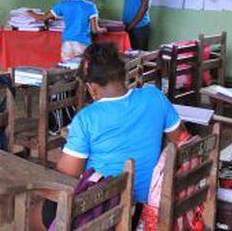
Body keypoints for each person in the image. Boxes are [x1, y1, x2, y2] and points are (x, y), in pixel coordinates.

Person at [32, 42, 184, 230]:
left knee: (36, 212)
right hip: (146, 208)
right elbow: (182, 140)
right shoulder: (154, 97)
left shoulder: (86, 119)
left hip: (106, 209)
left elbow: (66, 176)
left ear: (92, 87)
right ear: (123, 73)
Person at [28, 0, 105, 60]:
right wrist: (103, 29)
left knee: (66, 70)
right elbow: (95, 30)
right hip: (84, 45)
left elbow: (43, 18)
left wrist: (30, 13)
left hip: (67, 43)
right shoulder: (90, 6)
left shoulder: (63, 4)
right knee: (82, 70)